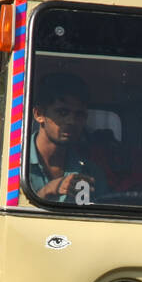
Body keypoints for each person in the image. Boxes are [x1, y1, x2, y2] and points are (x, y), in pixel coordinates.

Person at [27, 73, 106, 204]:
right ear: (39, 114)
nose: (71, 121)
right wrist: (47, 191)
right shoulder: (10, 165)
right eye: (62, 112)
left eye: (79, 115)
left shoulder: (91, 172)